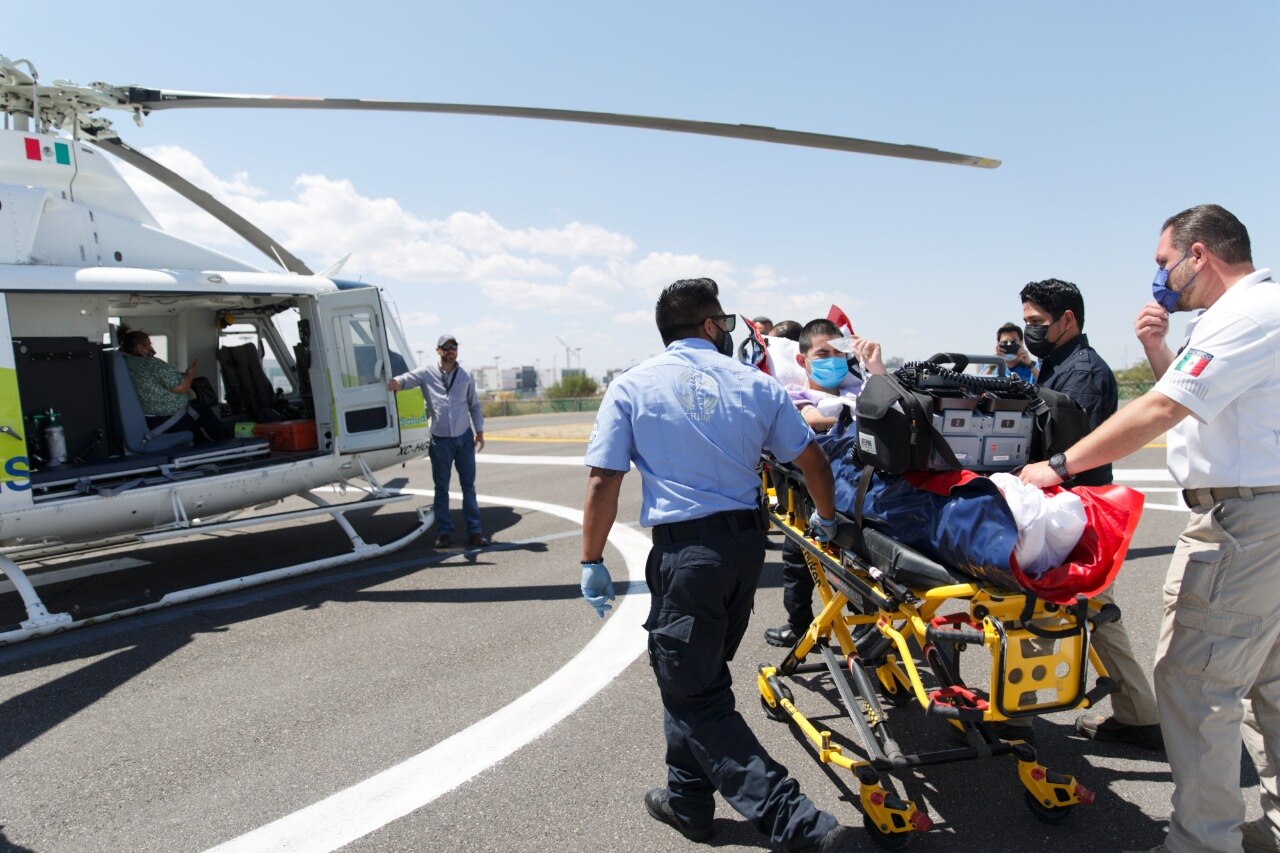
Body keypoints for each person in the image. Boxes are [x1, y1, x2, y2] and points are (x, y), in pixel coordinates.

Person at [1020, 204, 1278, 853]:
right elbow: (1204, 407)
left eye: (1164, 262)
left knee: (1195, 682)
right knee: (1268, 682)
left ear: (1199, 255)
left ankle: (1201, 842)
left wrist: (1057, 466)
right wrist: (1160, 348)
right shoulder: (1254, 312)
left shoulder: (1245, 314)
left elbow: (1164, 406)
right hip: (1261, 509)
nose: (1159, 277)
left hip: (1246, 517)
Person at [579, 278, 854, 851]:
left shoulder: (631, 386)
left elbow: (604, 478)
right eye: (725, 323)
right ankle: (688, 803)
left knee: (695, 692)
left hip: (687, 557)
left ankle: (798, 823)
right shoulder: (756, 384)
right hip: (746, 553)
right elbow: (812, 463)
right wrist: (826, 522)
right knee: (693, 677)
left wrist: (591, 558)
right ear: (708, 325)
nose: (730, 332)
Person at [1006, 279, 1158, 748]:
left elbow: (1073, 450)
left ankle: (1014, 720)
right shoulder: (1056, 367)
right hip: (1069, 511)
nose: (1029, 332)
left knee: (1038, 610)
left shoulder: (1083, 374)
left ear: (1067, 319)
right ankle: (1139, 714)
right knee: (1095, 614)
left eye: (1036, 323)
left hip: (1076, 515)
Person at [764, 318, 885, 648]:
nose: (831, 359)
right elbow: (812, 420)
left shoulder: (859, 391)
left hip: (864, 480)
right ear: (802, 360)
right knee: (797, 560)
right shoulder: (793, 394)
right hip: (816, 491)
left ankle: (865, 627)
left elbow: (892, 408)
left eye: (837, 353)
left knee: (862, 556)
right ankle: (800, 625)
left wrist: (873, 368)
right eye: (822, 353)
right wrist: (859, 414)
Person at [388, 334, 488, 548]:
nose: (450, 351)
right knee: (441, 488)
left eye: (453, 347)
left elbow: (474, 405)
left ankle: (475, 531)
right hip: (440, 440)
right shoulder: (427, 372)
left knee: (468, 487)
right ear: (438, 350)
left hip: (463, 438)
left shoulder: (466, 375)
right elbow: (408, 378)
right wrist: (397, 382)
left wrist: (479, 431)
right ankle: (444, 533)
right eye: (446, 348)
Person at [119, 326, 232, 444]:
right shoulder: (151, 364)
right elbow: (181, 388)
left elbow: (155, 379)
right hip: (167, 419)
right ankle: (230, 446)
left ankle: (202, 446)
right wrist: (190, 375)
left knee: (197, 422)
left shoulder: (127, 363)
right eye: (148, 344)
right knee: (204, 412)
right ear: (139, 348)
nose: (152, 348)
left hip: (149, 418)